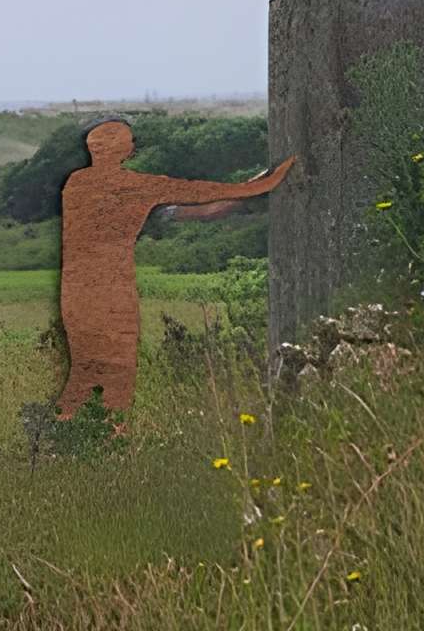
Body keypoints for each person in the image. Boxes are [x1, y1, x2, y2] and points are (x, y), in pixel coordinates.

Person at [56, 117, 292, 415]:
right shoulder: (136, 186)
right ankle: (112, 436)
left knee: (83, 370)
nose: (133, 147)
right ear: (124, 150)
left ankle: (64, 432)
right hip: (113, 292)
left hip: (74, 292)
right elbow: (208, 195)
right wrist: (270, 179)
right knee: (119, 371)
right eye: (130, 142)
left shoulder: (75, 183)